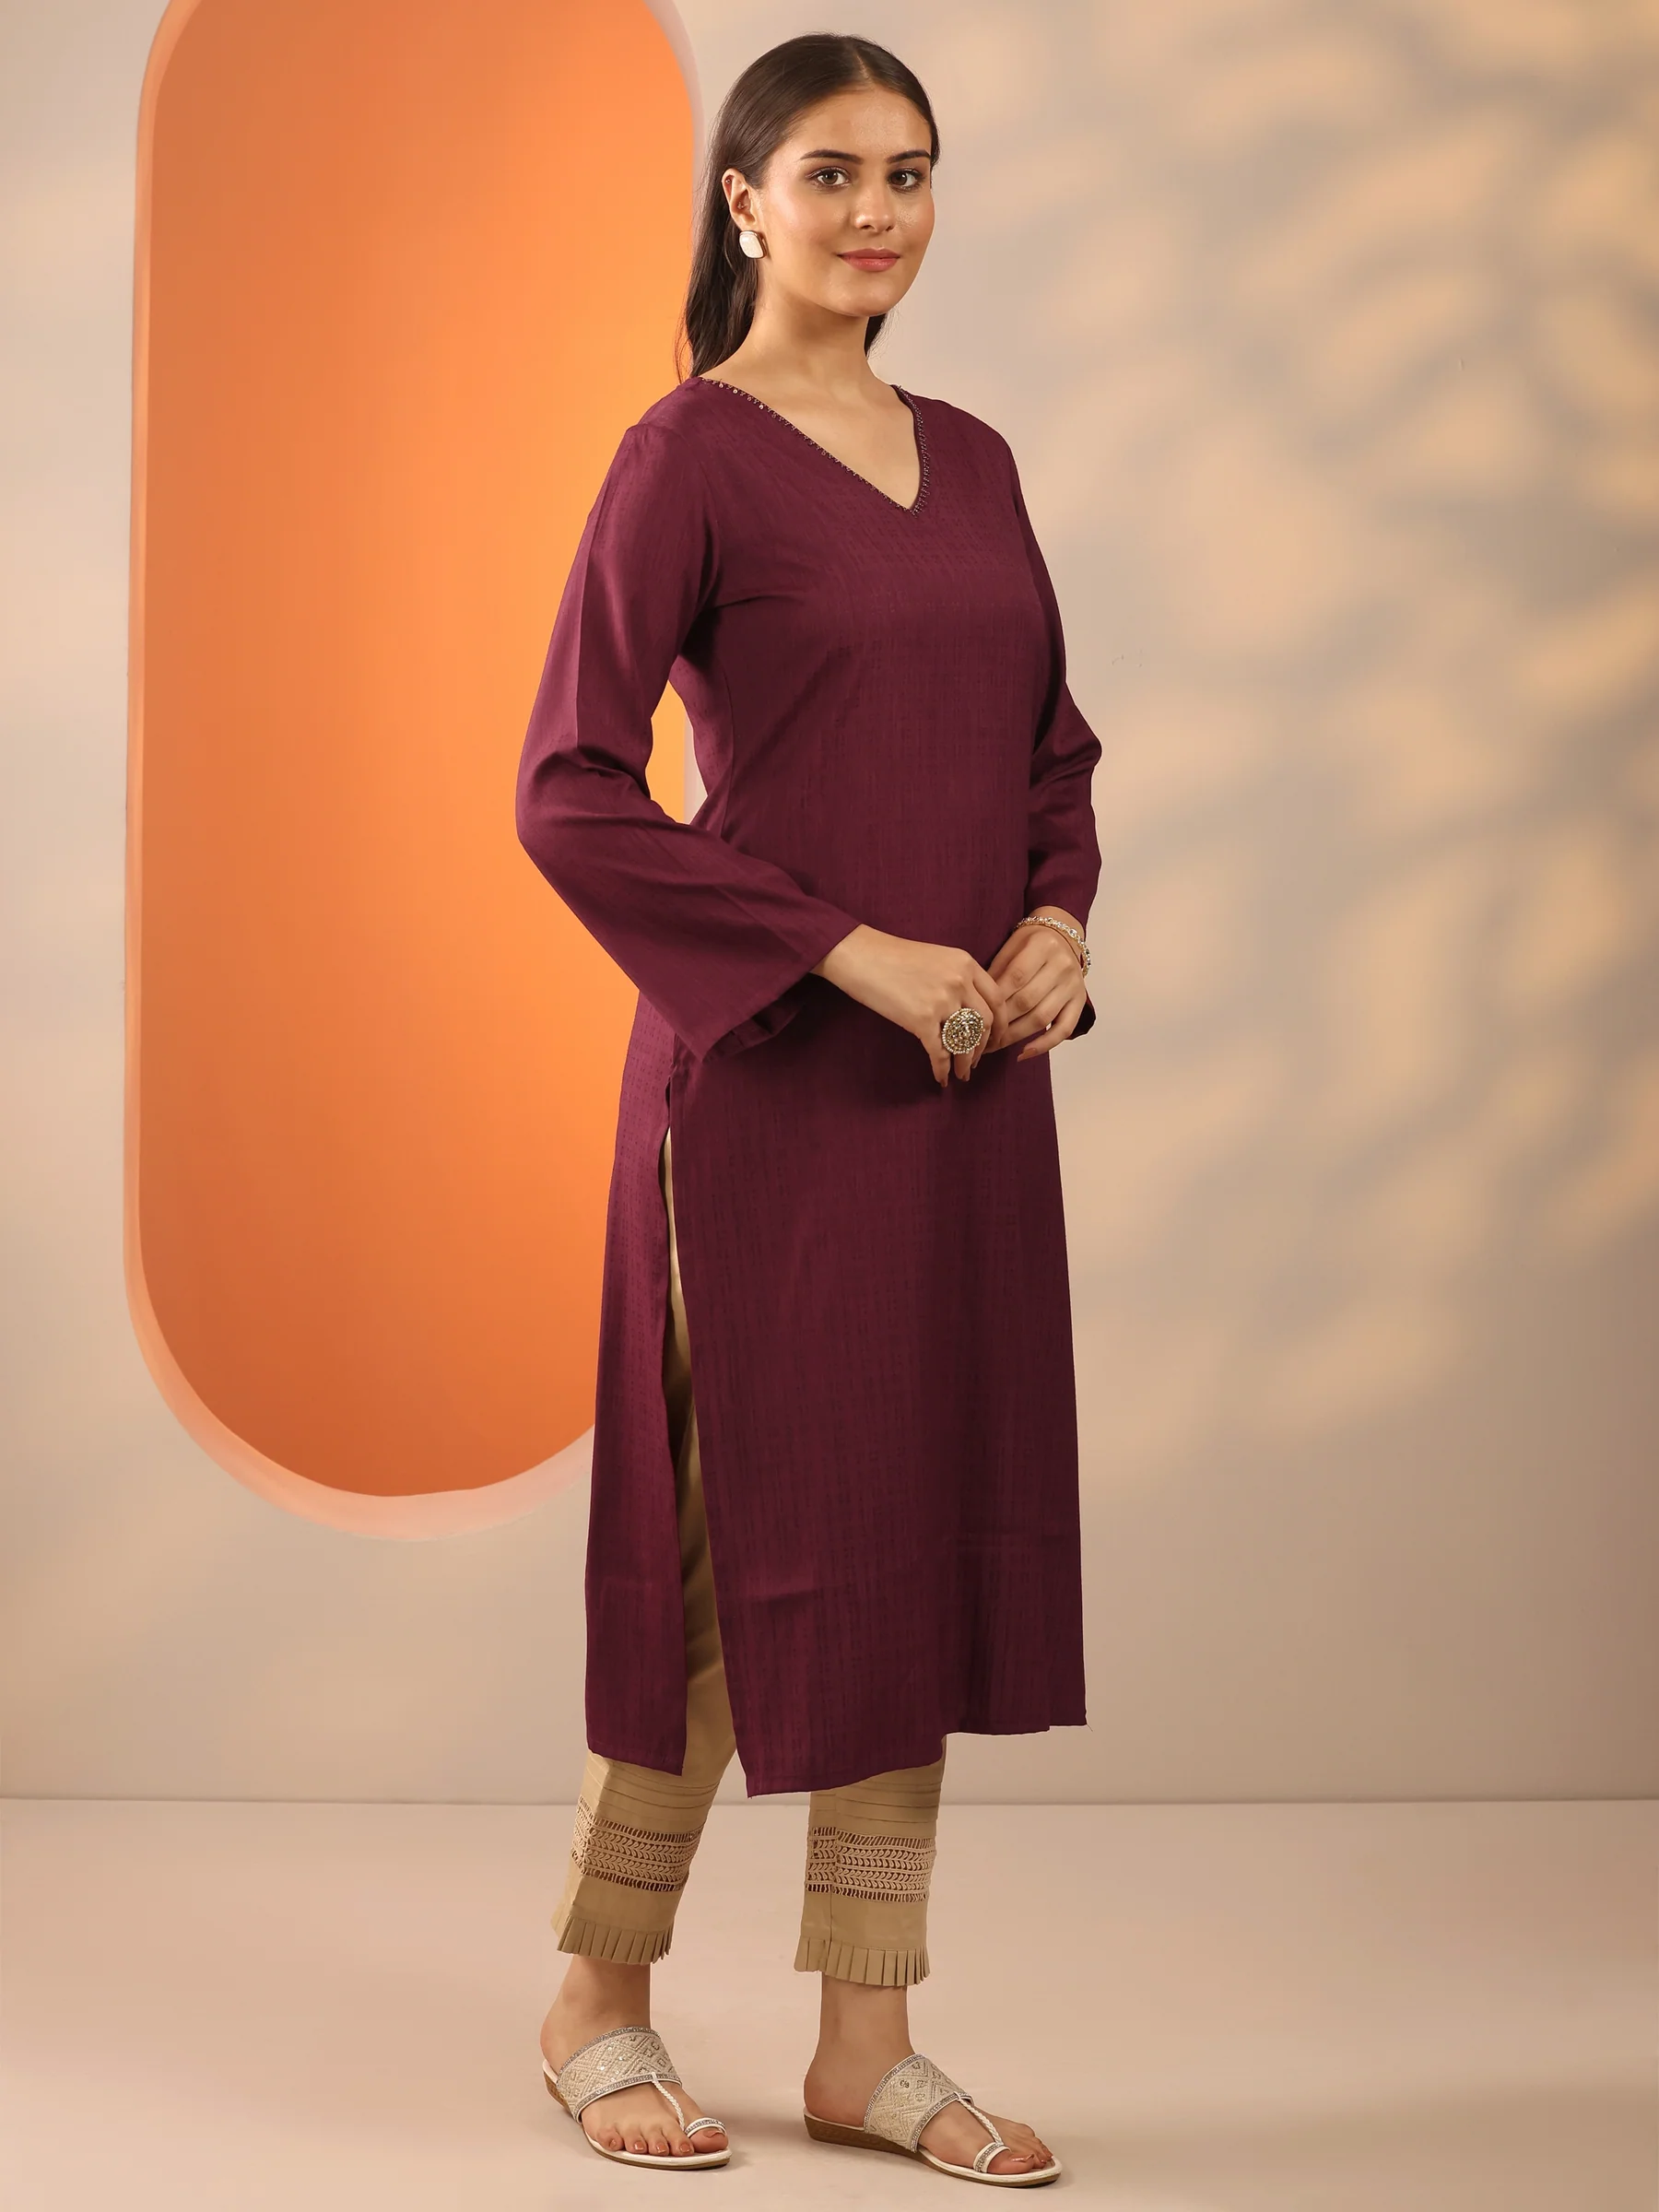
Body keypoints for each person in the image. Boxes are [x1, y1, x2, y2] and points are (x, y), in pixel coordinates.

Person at [514, 31, 1100, 2186]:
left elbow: (1050, 753)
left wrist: (1055, 926)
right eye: (832, 172)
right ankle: (597, 1998)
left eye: (911, 173)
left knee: (911, 1533)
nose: (877, 212)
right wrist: (846, 950)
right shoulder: (688, 455)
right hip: (766, 1092)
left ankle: (868, 2040)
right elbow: (568, 789)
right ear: (743, 201)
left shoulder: (981, 460)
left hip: (960, 1098)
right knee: (715, 1546)